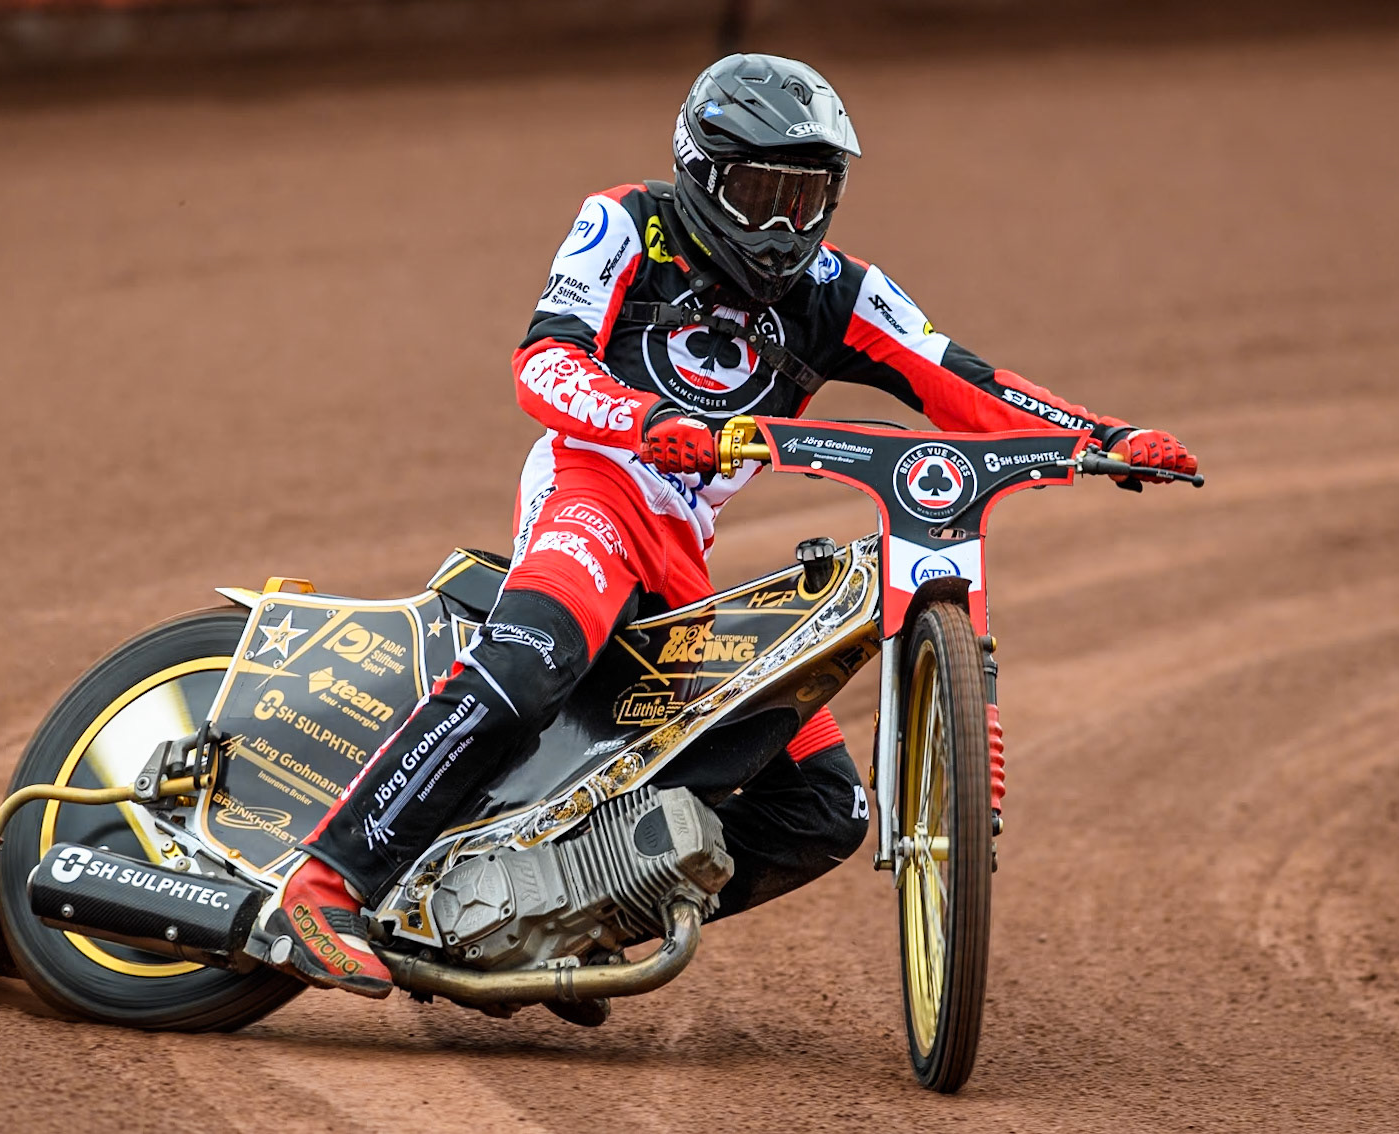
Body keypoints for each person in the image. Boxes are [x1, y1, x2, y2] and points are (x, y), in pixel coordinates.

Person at [269, 53, 1198, 998]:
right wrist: (642, 423)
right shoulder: (626, 221)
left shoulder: (839, 290)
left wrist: (1106, 437)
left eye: (811, 196)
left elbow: (965, 382)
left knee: (826, 806)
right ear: (704, 173)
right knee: (533, 657)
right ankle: (328, 876)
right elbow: (541, 362)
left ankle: (585, 919)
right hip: (594, 490)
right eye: (763, 192)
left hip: (682, 560)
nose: (788, 225)